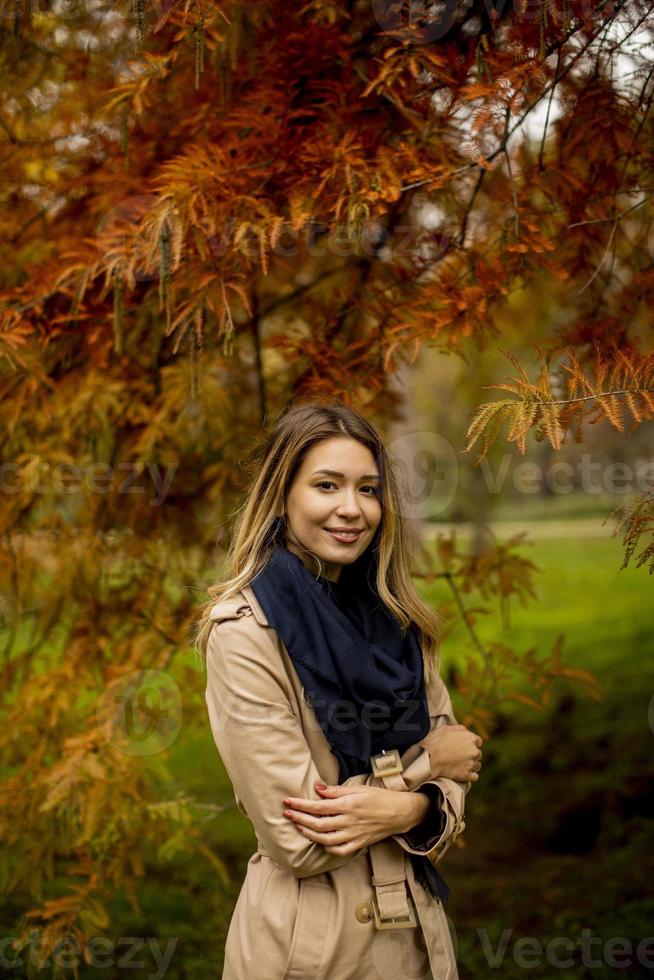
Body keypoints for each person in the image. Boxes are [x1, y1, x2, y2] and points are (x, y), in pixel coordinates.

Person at [195, 399, 483, 980]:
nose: (352, 509)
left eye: (369, 489)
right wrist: (420, 777)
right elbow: (299, 842)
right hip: (310, 947)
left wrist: (415, 801)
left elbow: (459, 786)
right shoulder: (244, 634)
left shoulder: (399, 620)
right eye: (327, 485)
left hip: (419, 937)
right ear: (282, 496)